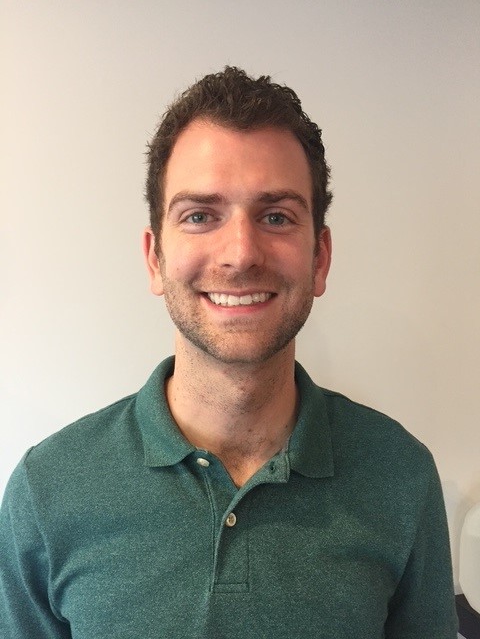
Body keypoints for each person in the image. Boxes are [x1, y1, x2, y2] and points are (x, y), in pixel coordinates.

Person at [0, 67, 458, 638]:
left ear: (319, 259)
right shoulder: (47, 491)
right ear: (154, 259)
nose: (240, 253)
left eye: (275, 216)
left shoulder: (401, 476)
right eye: (200, 216)